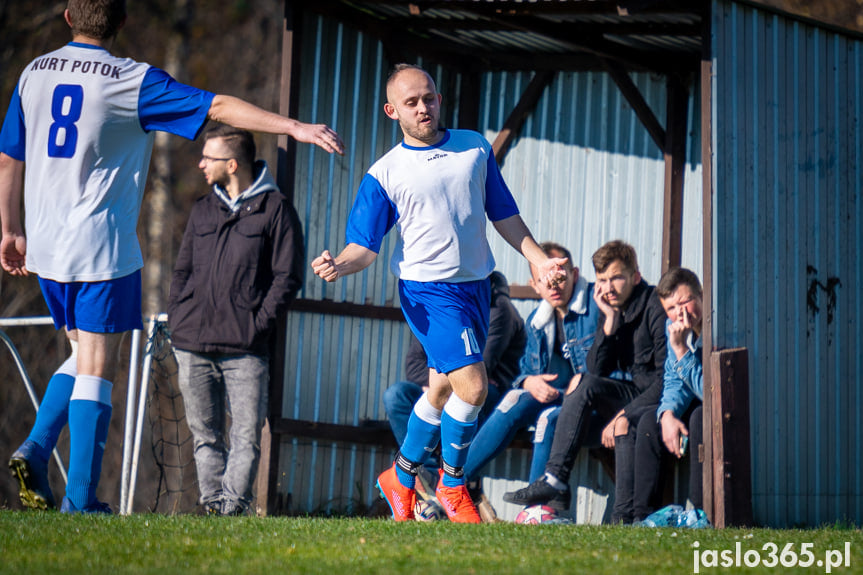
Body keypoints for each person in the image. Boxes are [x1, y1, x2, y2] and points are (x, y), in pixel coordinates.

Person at [0, 0, 343, 514]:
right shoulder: (128, 79)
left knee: (79, 353)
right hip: (100, 247)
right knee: (98, 365)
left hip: (46, 248)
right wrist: (291, 127)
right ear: (122, 23)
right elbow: (219, 107)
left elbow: (10, 156)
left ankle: (36, 446)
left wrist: (10, 229)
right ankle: (80, 502)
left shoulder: (34, 72)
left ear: (68, 16)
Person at [311, 63, 564, 523]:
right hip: (428, 292)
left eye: (429, 97)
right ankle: (451, 483)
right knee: (473, 385)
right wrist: (339, 265)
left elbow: (502, 211)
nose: (424, 107)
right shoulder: (384, 174)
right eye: (412, 102)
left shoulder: (474, 147)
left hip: (477, 288)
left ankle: (400, 478)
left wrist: (537, 257)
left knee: (443, 389)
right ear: (393, 111)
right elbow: (364, 248)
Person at [166, 126, 303, 516]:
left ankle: (231, 510)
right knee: (204, 436)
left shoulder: (275, 210)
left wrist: (256, 325)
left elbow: (287, 278)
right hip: (192, 343)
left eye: (208, 158)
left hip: (245, 348)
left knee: (246, 436)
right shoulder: (201, 209)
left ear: (232, 163)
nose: (200, 164)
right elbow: (182, 272)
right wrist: (179, 317)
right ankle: (212, 508)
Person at [503, 240, 666, 516]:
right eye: (603, 280)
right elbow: (596, 370)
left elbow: (665, 380)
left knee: (622, 423)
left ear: (635, 277)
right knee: (582, 381)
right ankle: (554, 478)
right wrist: (610, 321)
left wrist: (623, 414)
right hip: (629, 394)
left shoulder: (654, 307)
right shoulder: (612, 308)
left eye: (617, 278)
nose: (608, 287)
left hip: (654, 400)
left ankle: (622, 516)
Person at [463, 242, 599, 485]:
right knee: (515, 397)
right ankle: (453, 484)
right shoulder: (537, 321)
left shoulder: (595, 308)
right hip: (557, 397)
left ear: (574, 274)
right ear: (534, 285)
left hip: (592, 402)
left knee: (548, 416)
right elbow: (524, 370)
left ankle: (536, 510)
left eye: (558, 277)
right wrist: (528, 381)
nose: (552, 286)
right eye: (544, 280)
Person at [384, 271, 524, 448]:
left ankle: (456, 470)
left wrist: (441, 379)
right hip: (437, 384)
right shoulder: (439, 303)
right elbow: (413, 366)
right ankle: (426, 471)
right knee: (396, 394)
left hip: (486, 393)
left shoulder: (498, 309)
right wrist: (438, 383)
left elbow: (480, 368)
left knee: (473, 395)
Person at [624, 267, 705, 522]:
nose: (679, 313)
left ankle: (704, 512)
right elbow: (672, 380)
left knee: (700, 418)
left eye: (685, 302)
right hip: (691, 399)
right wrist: (668, 413)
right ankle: (643, 517)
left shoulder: (717, 327)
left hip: (716, 405)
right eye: (671, 308)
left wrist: (681, 351)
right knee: (651, 421)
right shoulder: (675, 328)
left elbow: (711, 392)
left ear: (701, 295)